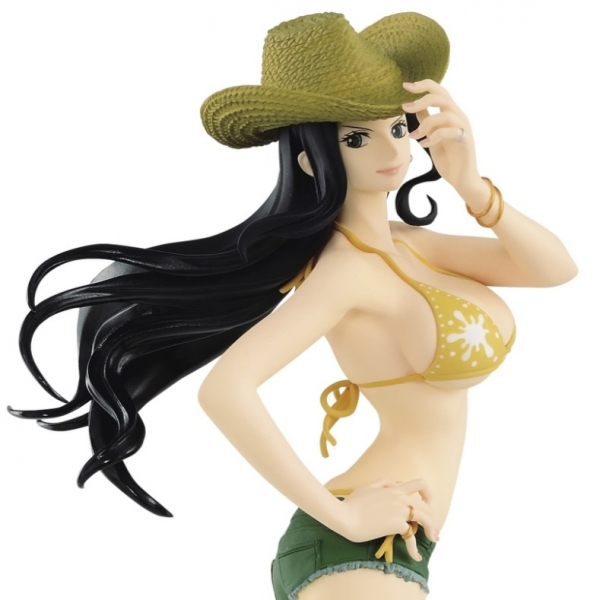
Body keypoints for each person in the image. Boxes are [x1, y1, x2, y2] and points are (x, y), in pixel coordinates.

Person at [9, 12, 577, 600]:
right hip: (361, 552)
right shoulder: (345, 272)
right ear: (310, 159)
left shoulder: (412, 245)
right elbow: (225, 390)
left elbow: (555, 269)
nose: (391, 149)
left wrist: (473, 186)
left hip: (393, 540)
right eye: (356, 138)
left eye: (396, 127)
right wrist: (347, 519)